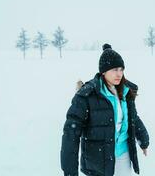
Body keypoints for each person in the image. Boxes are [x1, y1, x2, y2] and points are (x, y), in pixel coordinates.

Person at [60, 43, 150, 176]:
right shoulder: (86, 95)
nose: (119, 74)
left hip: (123, 156)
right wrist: (70, 172)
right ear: (103, 71)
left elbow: (132, 117)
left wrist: (144, 139)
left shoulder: (125, 92)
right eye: (114, 69)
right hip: (98, 162)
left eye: (121, 69)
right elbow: (71, 135)